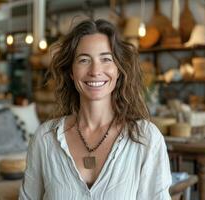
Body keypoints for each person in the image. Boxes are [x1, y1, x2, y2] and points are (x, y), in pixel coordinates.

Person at [19, 19, 172, 200]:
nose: (95, 70)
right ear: (71, 71)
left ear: (118, 69)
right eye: (84, 60)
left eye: (106, 59)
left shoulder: (146, 138)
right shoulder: (45, 138)